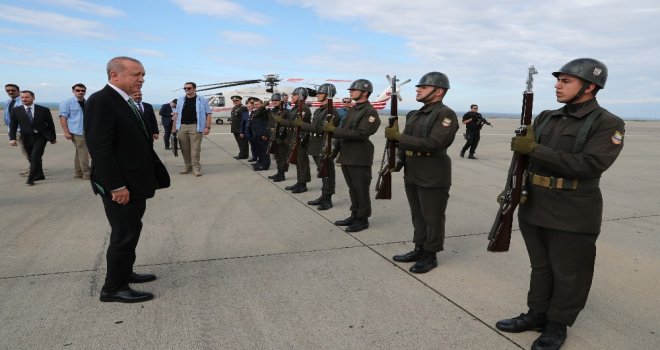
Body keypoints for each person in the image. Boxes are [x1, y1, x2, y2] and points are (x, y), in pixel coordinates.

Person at [496, 58, 625, 350]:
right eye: (558, 80)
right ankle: (536, 314)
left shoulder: (608, 123)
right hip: (535, 204)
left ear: (590, 86)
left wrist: (535, 149)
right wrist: (513, 190)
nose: (557, 85)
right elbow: (523, 161)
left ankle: (557, 325)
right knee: (540, 266)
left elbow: (590, 165)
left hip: (573, 211)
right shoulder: (545, 117)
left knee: (569, 272)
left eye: (566, 81)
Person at [84, 56, 170, 303]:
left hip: (135, 182)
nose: (141, 79)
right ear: (115, 75)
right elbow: (100, 149)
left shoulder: (125, 101)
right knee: (124, 233)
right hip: (121, 185)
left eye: (143, 75)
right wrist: (116, 185)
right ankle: (113, 288)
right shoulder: (101, 101)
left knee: (132, 229)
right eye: (136, 74)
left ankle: (125, 272)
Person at [385, 72, 458, 273]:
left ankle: (430, 254)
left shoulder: (445, 114)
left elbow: (436, 143)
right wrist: (398, 159)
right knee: (417, 214)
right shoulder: (414, 114)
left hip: (433, 173)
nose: (418, 89)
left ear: (438, 91)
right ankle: (419, 248)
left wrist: (399, 137)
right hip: (412, 170)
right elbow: (405, 140)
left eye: (423, 87)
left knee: (432, 217)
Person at [323, 79, 381, 232]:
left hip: (359, 156)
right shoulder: (354, 110)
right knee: (352, 188)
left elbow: (361, 134)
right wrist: (335, 149)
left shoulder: (370, 112)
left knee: (361, 189)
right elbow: (345, 132)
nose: (350, 92)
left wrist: (333, 130)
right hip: (347, 155)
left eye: (354, 90)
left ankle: (363, 219)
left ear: (365, 92)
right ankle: (354, 214)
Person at [300, 83, 340, 210]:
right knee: (322, 172)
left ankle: (328, 198)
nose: (317, 95)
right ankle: (323, 195)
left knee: (327, 173)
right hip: (316, 145)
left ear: (328, 95)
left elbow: (320, 128)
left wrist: (302, 125)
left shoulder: (331, 111)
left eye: (320, 93)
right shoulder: (320, 110)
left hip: (325, 146)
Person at [8, 90, 57, 185]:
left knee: (35, 157)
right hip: (26, 137)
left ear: (33, 98)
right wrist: (12, 138)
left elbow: (51, 124)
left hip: (41, 136)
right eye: (22, 97)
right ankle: (40, 175)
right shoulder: (16, 110)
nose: (24, 99)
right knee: (32, 158)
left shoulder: (44, 110)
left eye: (27, 97)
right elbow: (13, 125)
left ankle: (31, 178)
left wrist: (53, 138)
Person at [172, 82, 212, 176]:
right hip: (182, 126)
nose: (186, 90)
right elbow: (176, 114)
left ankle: (196, 168)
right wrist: (174, 127)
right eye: (185, 88)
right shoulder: (180, 99)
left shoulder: (202, 100)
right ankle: (187, 166)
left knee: (195, 150)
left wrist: (207, 127)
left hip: (196, 126)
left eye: (188, 88)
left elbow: (208, 113)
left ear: (194, 89)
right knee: (184, 149)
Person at [282, 87, 312, 194]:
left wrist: (284, 122)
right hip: (294, 138)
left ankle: (303, 184)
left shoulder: (303, 109)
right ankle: (299, 182)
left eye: (294, 95)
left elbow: (297, 124)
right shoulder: (296, 108)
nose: (291, 96)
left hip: (301, 139)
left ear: (300, 96)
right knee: (298, 162)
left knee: (302, 162)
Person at [59, 84, 91, 179]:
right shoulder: (66, 102)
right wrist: (66, 131)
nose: (80, 92)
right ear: (73, 91)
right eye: (78, 90)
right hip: (76, 132)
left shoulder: (86, 102)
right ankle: (87, 174)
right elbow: (63, 117)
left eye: (83, 90)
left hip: (86, 131)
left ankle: (78, 173)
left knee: (79, 152)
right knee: (84, 153)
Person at [4, 83, 29, 176]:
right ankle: (33, 167)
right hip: (14, 129)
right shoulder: (9, 101)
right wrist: (10, 131)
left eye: (13, 90)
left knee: (27, 149)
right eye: (8, 90)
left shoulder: (23, 101)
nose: (10, 92)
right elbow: (7, 118)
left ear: (18, 90)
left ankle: (34, 168)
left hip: (23, 130)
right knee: (25, 150)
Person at [267, 93, 289, 182]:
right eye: (273, 100)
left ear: (281, 101)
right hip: (273, 137)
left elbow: (289, 125)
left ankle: (282, 174)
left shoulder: (286, 112)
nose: (274, 102)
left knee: (283, 156)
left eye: (276, 100)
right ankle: (279, 172)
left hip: (282, 138)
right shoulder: (271, 112)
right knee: (277, 156)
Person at [250, 98, 271, 171]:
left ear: (262, 105)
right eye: (255, 104)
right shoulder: (255, 112)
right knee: (259, 150)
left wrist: (265, 134)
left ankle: (265, 165)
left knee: (264, 151)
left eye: (258, 104)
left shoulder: (264, 112)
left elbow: (267, 124)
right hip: (257, 134)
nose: (256, 106)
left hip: (263, 135)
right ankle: (260, 162)